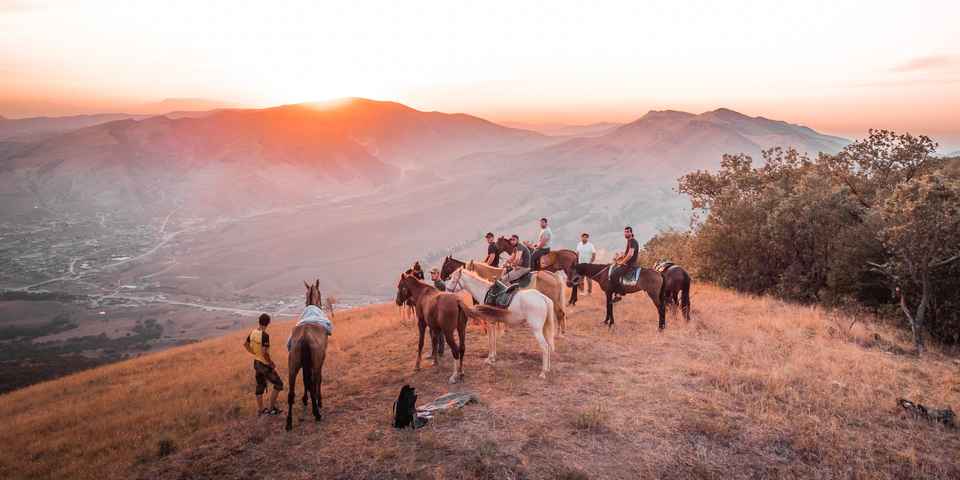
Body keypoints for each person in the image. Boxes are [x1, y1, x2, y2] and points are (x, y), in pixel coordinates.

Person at [244, 313, 283, 416]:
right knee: (279, 384)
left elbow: (246, 344)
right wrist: (271, 363)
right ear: (268, 323)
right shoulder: (265, 336)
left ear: (259, 321)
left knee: (260, 385)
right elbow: (265, 353)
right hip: (264, 364)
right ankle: (271, 409)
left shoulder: (253, 332)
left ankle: (261, 410)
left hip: (256, 363)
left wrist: (253, 352)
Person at [610, 226, 639, 302]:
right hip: (628, 264)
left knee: (613, 275)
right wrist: (618, 258)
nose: (626, 233)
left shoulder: (632, 241)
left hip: (630, 265)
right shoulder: (629, 241)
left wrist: (622, 263)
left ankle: (619, 293)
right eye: (625, 232)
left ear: (631, 233)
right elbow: (626, 254)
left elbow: (630, 254)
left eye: (627, 232)